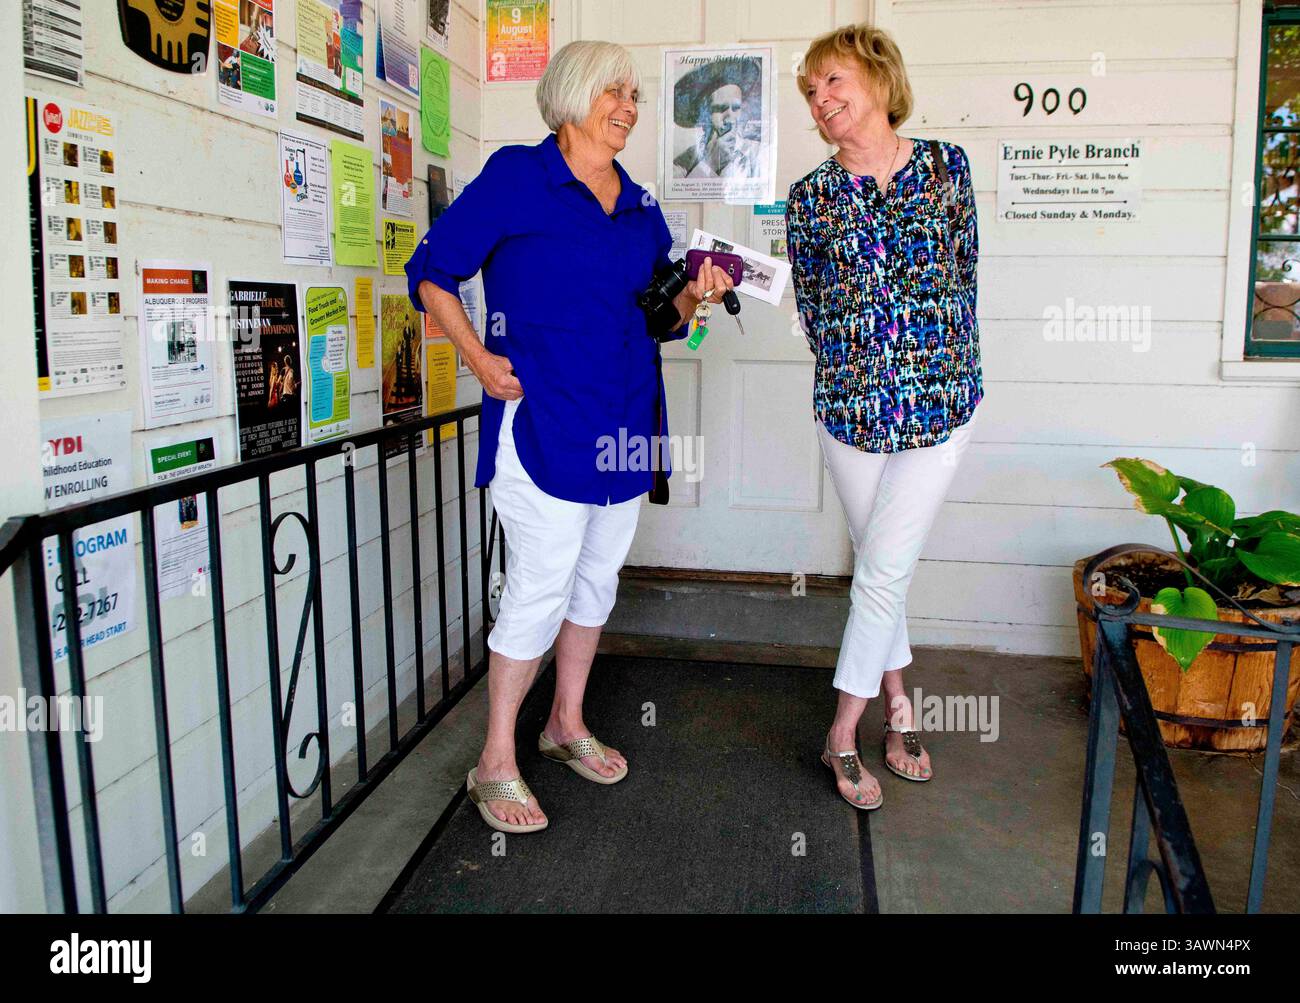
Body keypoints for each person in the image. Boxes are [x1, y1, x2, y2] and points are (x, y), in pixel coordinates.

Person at [405, 40, 734, 834]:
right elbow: (430, 271)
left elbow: (664, 316)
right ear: (573, 95)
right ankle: (494, 760)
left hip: (624, 421)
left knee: (595, 583)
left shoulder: (641, 204)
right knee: (539, 586)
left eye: (634, 96)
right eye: (614, 92)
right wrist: (479, 358)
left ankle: (564, 723)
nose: (628, 107)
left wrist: (697, 291)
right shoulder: (518, 176)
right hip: (542, 420)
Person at [785, 23, 984, 810]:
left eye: (832, 81)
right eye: (810, 90)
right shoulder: (810, 197)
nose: (820, 99)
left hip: (941, 403)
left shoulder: (944, 168)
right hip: (852, 410)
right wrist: (855, 357)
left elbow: (965, 269)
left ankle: (841, 732)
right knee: (882, 569)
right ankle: (900, 714)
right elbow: (813, 303)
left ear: (878, 78)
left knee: (882, 570)